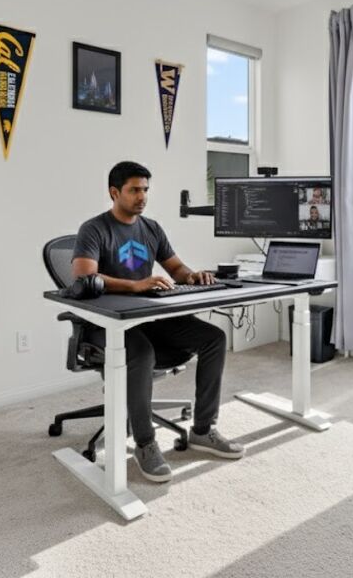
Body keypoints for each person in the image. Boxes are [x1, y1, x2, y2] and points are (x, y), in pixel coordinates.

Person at [72, 161, 245, 482]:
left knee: (214, 339)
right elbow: (84, 277)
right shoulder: (94, 229)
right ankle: (145, 444)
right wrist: (135, 285)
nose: (142, 197)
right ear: (114, 192)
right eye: (134, 190)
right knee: (140, 353)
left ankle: (203, 430)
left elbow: (176, 268)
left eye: (145, 190)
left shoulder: (151, 228)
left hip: (148, 316)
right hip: (104, 325)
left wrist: (192, 276)